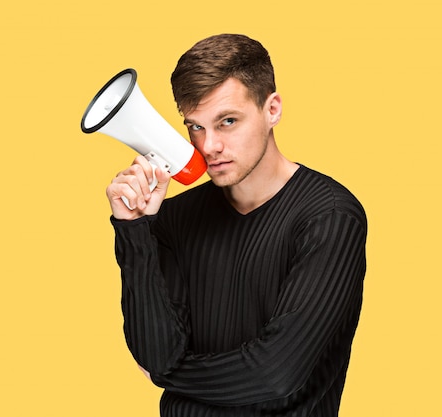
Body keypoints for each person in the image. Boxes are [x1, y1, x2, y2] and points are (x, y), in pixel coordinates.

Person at [105, 34, 367, 417]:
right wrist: (135, 230)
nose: (208, 146)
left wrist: (167, 375)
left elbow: (276, 372)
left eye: (227, 122)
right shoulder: (174, 219)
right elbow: (154, 351)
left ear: (272, 109)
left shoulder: (330, 217)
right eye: (195, 126)